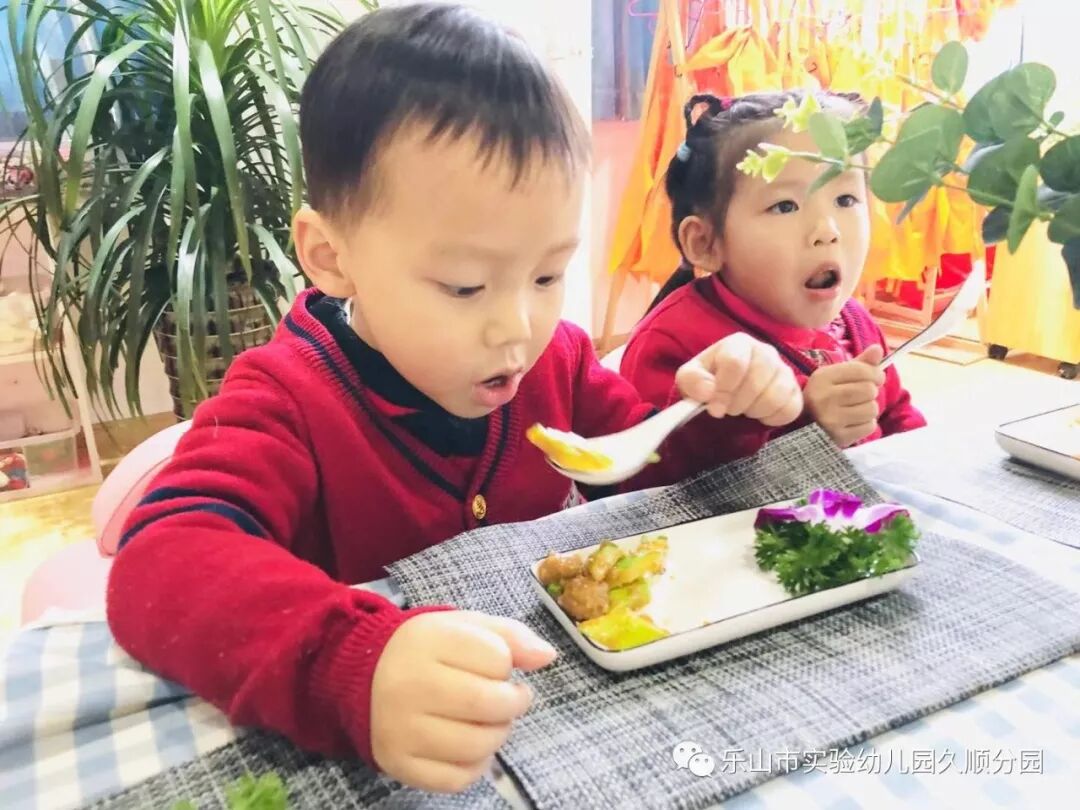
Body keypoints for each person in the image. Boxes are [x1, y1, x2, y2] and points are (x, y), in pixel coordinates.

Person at [105, 6, 804, 795]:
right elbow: (160, 561)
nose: (518, 326)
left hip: (559, 725)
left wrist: (720, 414)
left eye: (548, 275)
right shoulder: (288, 398)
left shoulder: (559, 360)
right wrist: (353, 662)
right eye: (466, 286)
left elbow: (648, 471)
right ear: (331, 256)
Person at [621, 90, 926, 468]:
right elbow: (654, 480)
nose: (827, 230)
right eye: (785, 206)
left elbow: (897, 415)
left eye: (846, 200)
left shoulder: (856, 321)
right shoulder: (675, 341)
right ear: (705, 243)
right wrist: (806, 425)